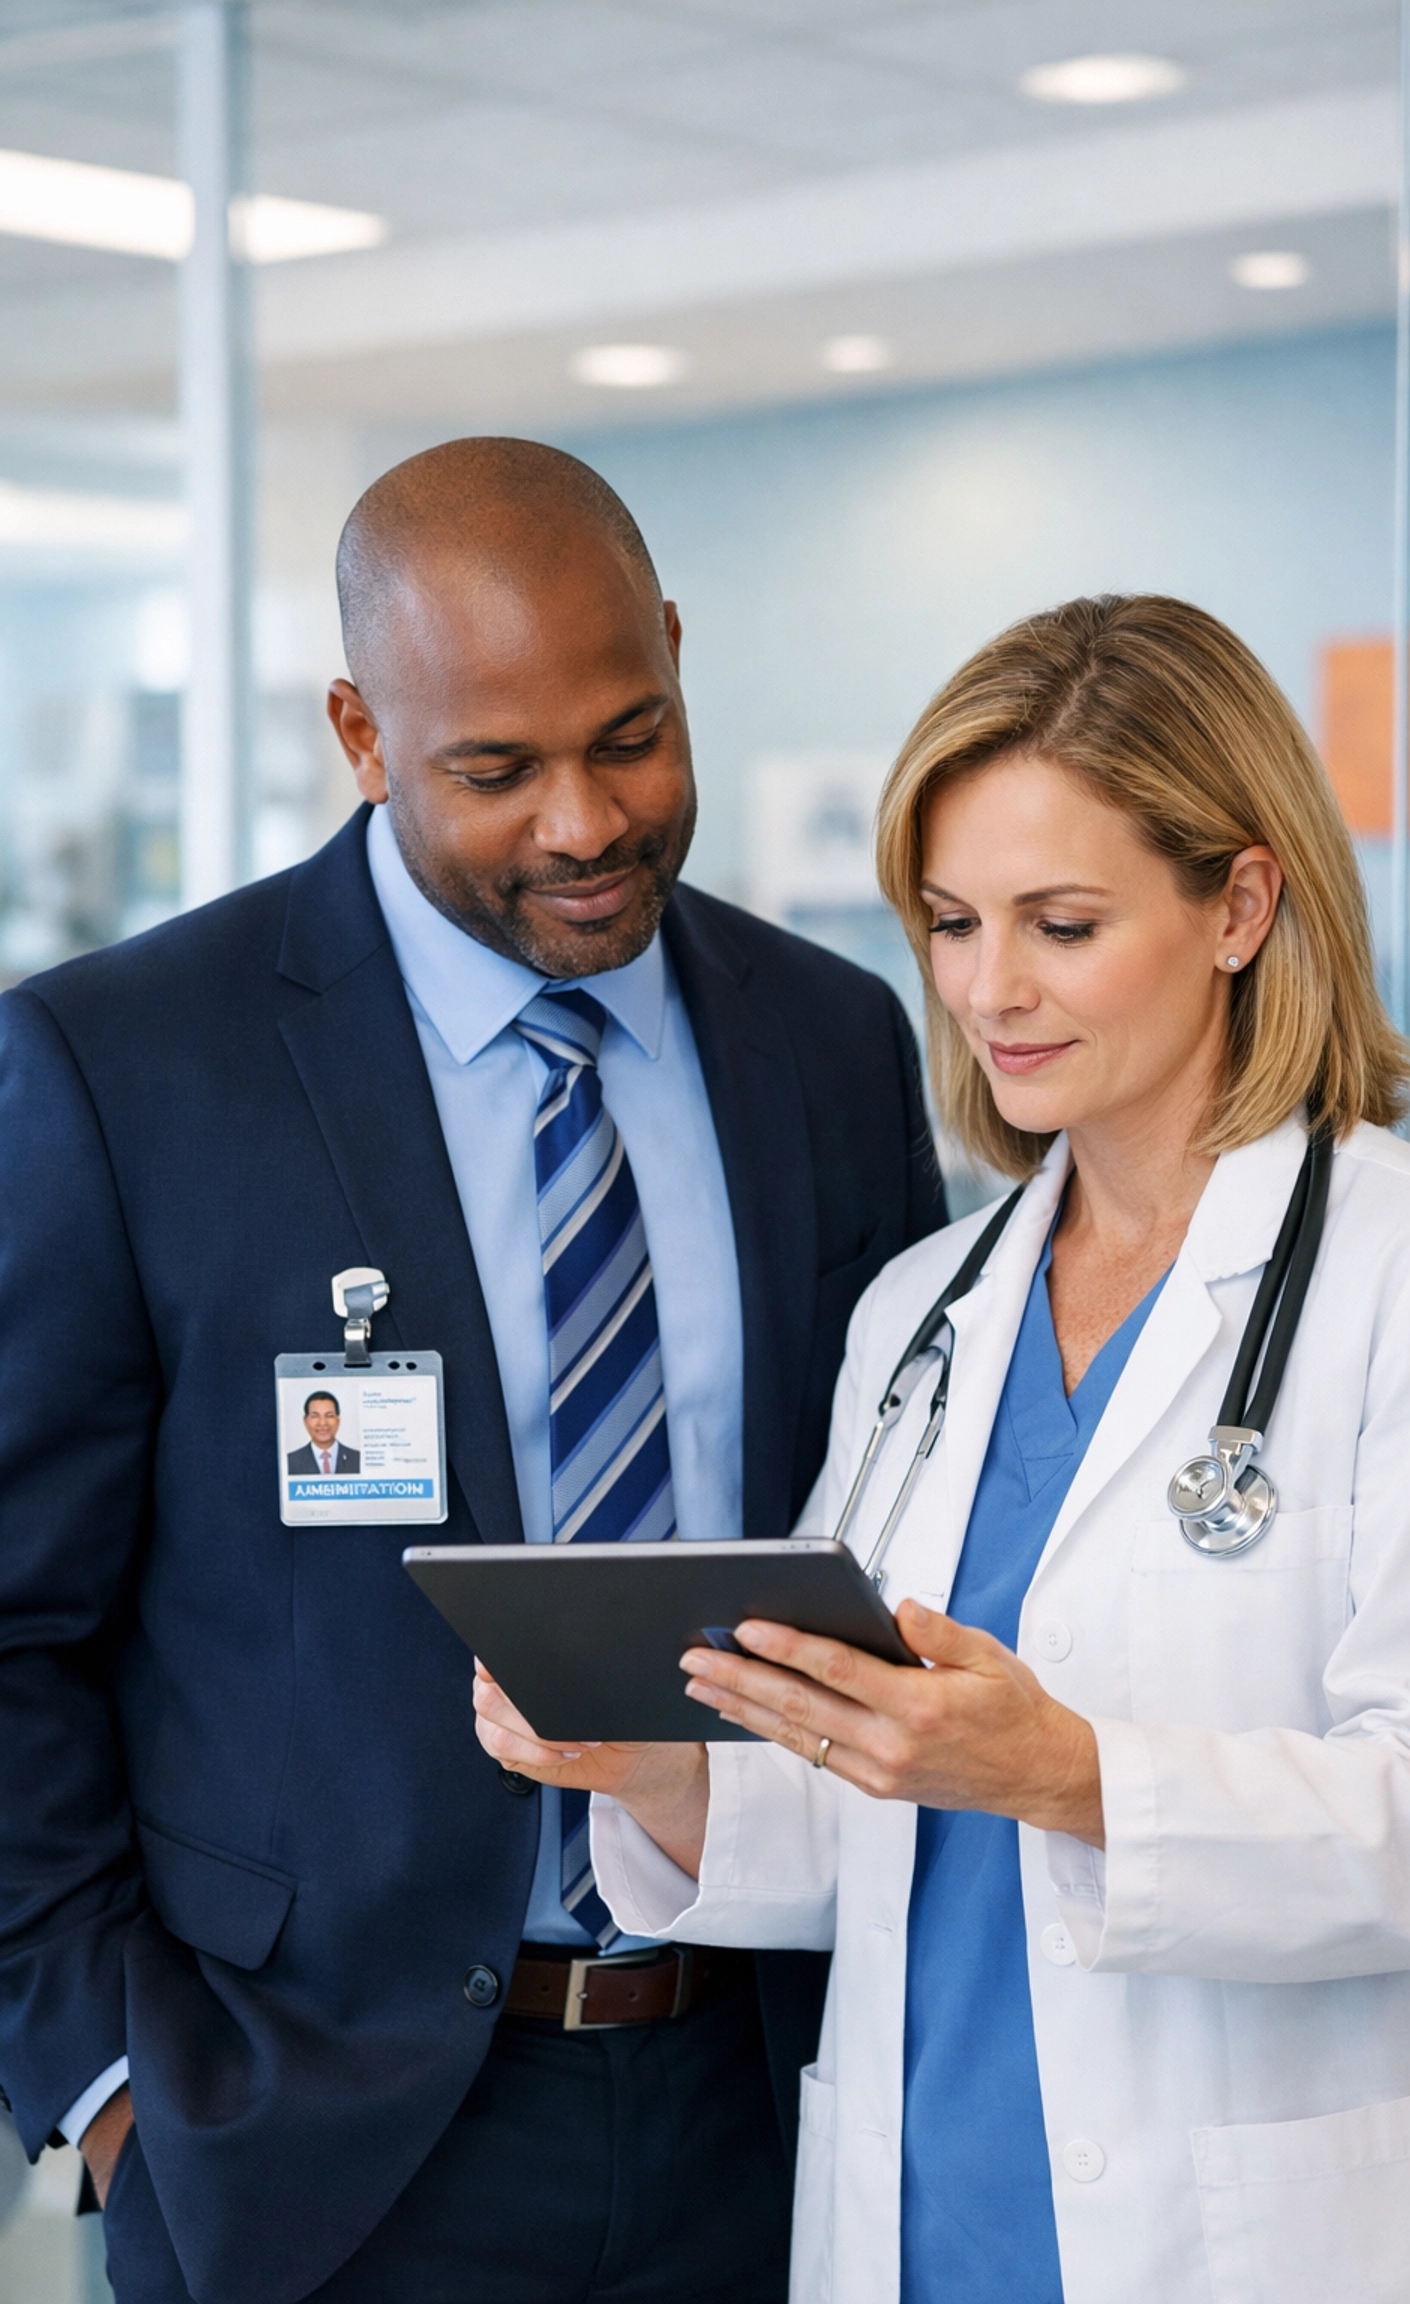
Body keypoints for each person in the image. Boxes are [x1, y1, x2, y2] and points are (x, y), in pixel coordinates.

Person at [476, 594, 1410, 2304]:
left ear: (1240, 904)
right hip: (925, 2207)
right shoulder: (924, 1309)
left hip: (1273, 2229)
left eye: (1061, 921)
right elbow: (864, 1801)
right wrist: (652, 1768)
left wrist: (1068, 1767)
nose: (988, 988)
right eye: (953, 922)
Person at [0, 437, 945, 2304]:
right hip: (308, 2135)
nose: (584, 820)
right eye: (494, 770)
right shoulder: (127, 1064)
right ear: (360, 729)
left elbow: (889, 1524)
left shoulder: (828, 1042)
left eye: (631, 733)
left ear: (674, 650)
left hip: (760, 2089)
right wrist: (110, 2082)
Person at [287, 1391, 361, 1476]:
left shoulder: (357, 1459)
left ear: (338, 1420)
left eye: (329, 1415)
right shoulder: (290, 1461)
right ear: (305, 1421)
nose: (322, 1423)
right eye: (314, 1416)